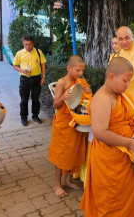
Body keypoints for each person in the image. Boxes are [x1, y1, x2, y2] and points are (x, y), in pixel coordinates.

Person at [80, 57, 134, 216]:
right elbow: (100, 132)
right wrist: (130, 143)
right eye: (125, 80)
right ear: (111, 76)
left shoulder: (121, 95)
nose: (127, 85)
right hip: (109, 160)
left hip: (125, 158)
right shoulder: (103, 99)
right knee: (111, 202)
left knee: (127, 199)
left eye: (129, 81)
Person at [48, 55, 92, 198]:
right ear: (69, 68)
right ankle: (57, 184)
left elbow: (86, 99)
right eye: (77, 70)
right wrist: (63, 97)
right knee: (61, 153)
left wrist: (88, 92)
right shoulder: (62, 82)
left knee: (73, 151)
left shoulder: (80, 81)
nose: (80, 73)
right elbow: (55, 105)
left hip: (77, 120)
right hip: (63, 123)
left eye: (82, 71)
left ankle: (67, 180)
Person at [13, 35, 47, 126]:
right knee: (24, 99)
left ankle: (35, 116)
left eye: (29, 44)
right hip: (24, 79)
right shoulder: (19, 53)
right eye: (25, 45)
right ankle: (24, 117)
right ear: (23, 44)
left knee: (36, 99)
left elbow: (43, 64)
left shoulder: (38, 52)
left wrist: (43, 77)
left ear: (33, 43)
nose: (28, 46)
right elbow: (15, 65)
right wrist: (22, 70)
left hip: (36, 79)